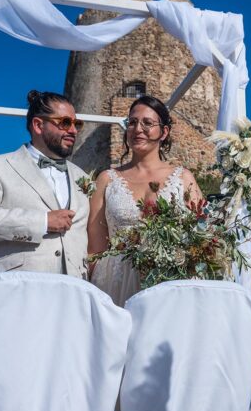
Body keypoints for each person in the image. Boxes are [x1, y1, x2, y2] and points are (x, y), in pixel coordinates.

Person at [87, 95, 203, 306]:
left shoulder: (183, 178)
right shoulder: (106, 179)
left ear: (164, 132)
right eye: (132, 122)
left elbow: (200, 236)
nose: (137, 129)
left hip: (169, 282)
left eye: (147, 123)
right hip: (114, 284)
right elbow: (95, 248)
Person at [0, 91, 90, 278]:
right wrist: (42, 221)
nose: (73, 131)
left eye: (76, 124)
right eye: (65, 123)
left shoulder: (83, 177)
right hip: (16, 288)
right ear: (38, 125)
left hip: (74, 291)